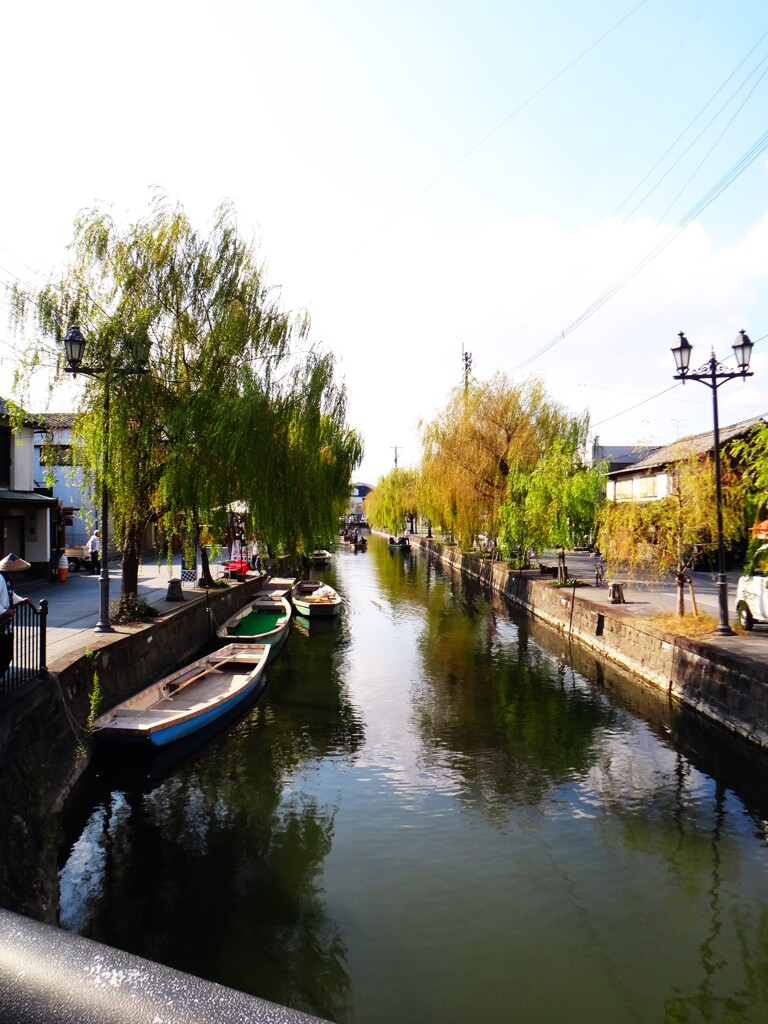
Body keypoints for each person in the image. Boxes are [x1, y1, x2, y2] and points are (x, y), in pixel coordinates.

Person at [0, 553, 31, 681]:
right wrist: (5, 611)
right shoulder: (0, 580)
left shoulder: (7, 581)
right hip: (2, 624)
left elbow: (11, 595)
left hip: (6, 626)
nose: (16, 575)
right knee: (3, 655)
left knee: (7, 655)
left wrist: (21, 600)